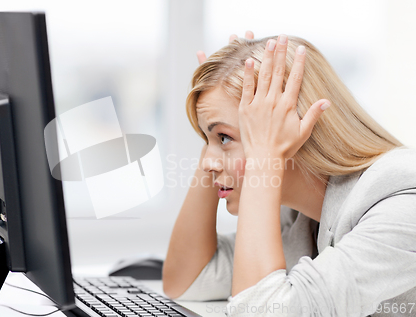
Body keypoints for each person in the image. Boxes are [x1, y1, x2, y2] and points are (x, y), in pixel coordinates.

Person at [162, 31, 416, 317]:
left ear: (293, 130)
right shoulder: (299, 215)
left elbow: (261, 311)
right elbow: (187, 280)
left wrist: (263, 157)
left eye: (224, 138)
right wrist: (213, 127)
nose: (207, 165)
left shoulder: (402, 198)